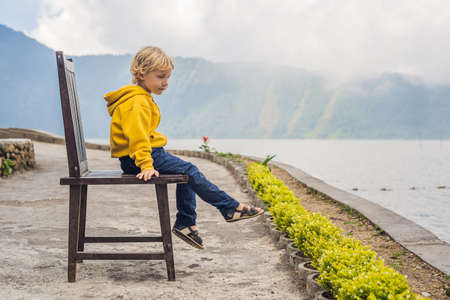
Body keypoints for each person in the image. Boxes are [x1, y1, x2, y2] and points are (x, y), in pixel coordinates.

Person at [104, 46, 263, 249]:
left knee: (186, 170)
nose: (165, 83)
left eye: (167, 77)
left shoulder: (139, 98)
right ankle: (229, 208)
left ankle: (187, 224)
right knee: (189, 170)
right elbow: (138, 138)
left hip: (140, 156)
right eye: (161, 77)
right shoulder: (137, 102)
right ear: (141, 73)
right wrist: (145, 165)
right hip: (140, 157)